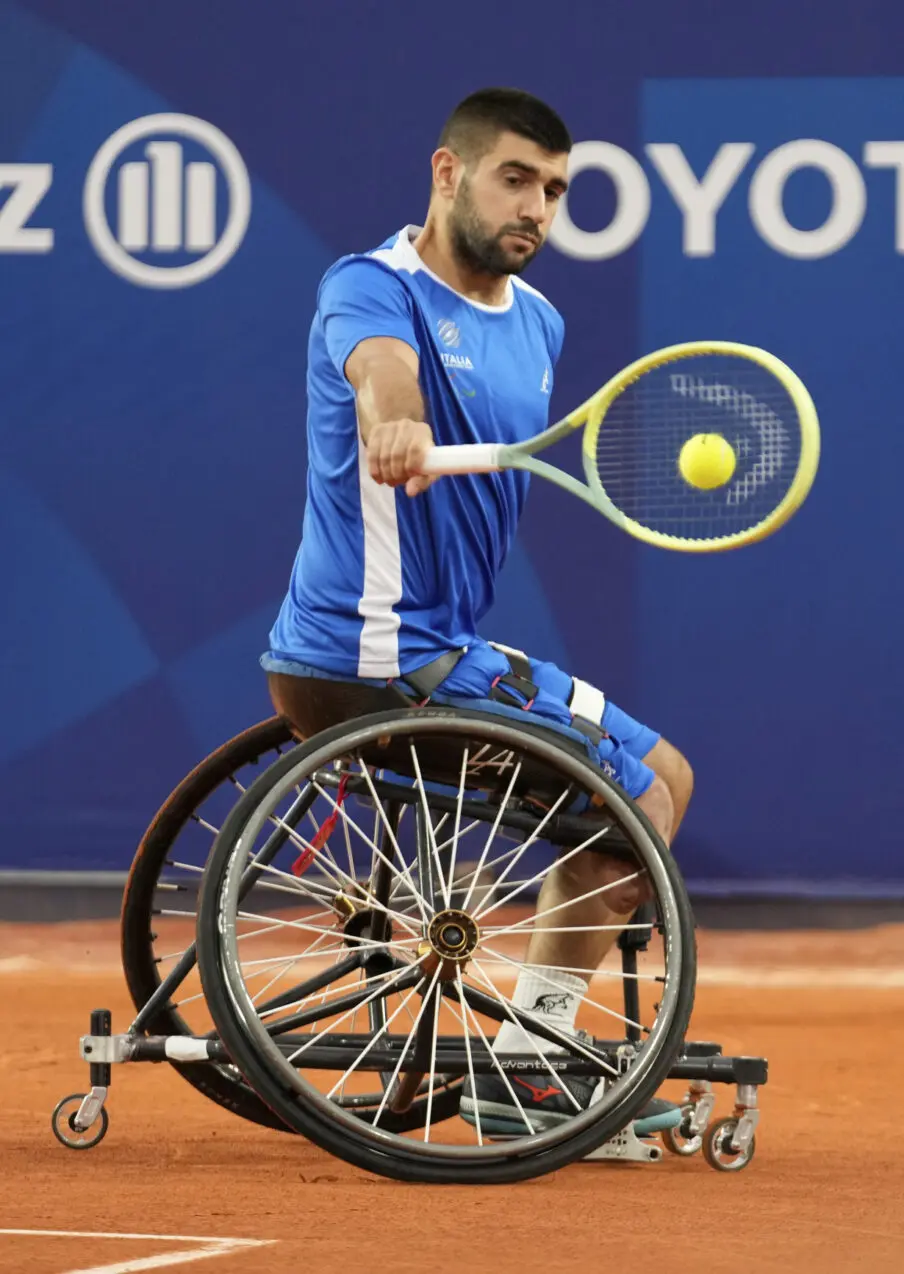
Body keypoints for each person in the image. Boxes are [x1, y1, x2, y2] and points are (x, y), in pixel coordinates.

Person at [262, 87, 693, 1138]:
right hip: (364, 657)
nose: (537, 207)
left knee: (669, 776)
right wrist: (396, 424)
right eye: (515, 178)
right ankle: (529, 1061)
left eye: (554, 189)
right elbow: (381, 372)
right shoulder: (371, 285)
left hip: (444, 651)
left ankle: (527, 1048)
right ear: (447, 172)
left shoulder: (540, 320)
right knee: (624, 809)